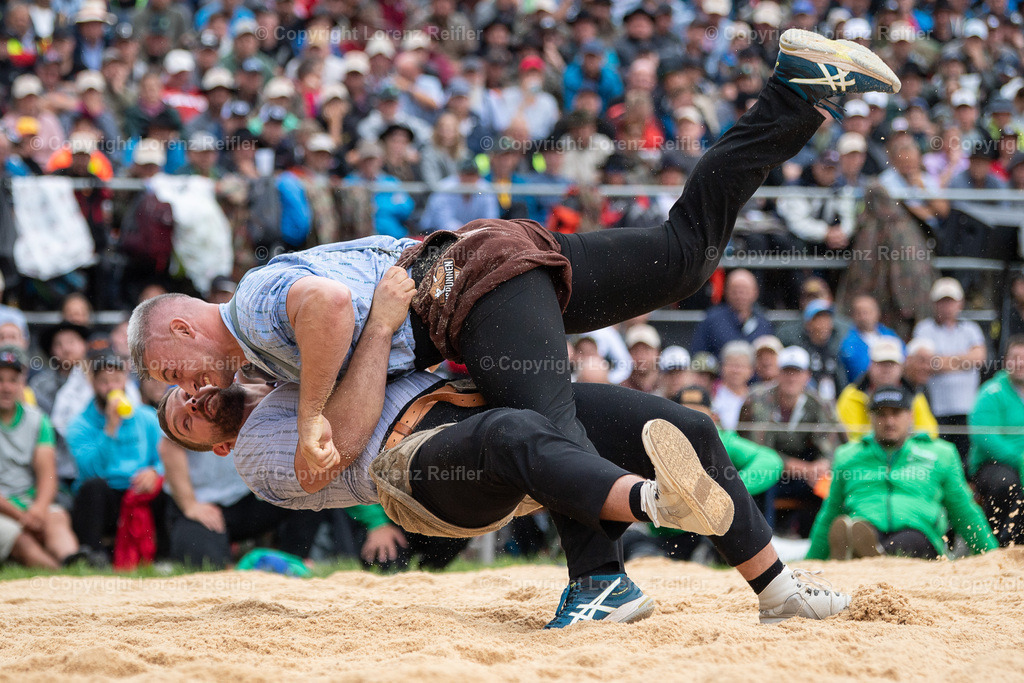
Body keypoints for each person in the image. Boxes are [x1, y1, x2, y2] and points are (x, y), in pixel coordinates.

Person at [132, 29, 899, 625]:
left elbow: (332, 309)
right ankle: (795, 94)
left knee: (547, 423)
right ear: (216, 444)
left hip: (463, 286)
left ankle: (599, 579)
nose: (188, 389)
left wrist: (310, 419)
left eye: (172, 375)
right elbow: (342, 379)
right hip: (494, 263)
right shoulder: (264, 378)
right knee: (683, 257)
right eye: (179, 404)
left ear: (176, 326)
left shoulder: (255, 305)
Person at [808, 385, 997, 560]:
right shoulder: (848, 456)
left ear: (910, 415)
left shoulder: (940, 454)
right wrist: (812, 561)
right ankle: (864, 551)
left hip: (918, 533)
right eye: (881, 415)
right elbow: (830, 513)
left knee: (909, 540)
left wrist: (991, 555)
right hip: (866, 525)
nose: (889, 421)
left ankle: (862, 556)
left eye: (896, 413)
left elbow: (963, 510)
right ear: (871, 418)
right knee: (857, 528)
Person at [640, 385, 784, 562]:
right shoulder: (655, 444)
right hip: (669, 533)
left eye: (698, 416)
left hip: (715, 531)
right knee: (637, 545)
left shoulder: (722, 440)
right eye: (683, 415)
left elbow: (770, 461)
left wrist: (726, 491)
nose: (690, 423)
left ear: (713, 418)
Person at [65, 348, 168, 564]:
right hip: (105, 497)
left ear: (125, 379)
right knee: (93, 488)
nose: (111, 387)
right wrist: (110, 428)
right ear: (92, 383)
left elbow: (166, 459)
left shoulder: (147, 417)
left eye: (117, 380)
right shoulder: (79, 425)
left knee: (165, 488)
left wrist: (154, 471)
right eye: (104, 381)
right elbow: (91, 470)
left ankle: (163, 555)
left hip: (138, 490)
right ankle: (93, 556)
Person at [160, 436, 320, 569]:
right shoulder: (186, 398)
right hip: (198, 505)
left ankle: (294, 561)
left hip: (245, 498)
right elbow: (168, 445)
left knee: (309, 491)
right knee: (210, 567)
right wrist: (190, 505)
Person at [739, 346, 844, 536]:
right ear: (778, 373)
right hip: (769, 473)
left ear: (807, 375)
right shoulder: (757, 400)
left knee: (830, 483)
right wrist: (802, 468)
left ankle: (820, 540)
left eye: (797, 372)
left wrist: (823, 463)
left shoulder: (820, 404)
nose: (791, 377)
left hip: (807, 475)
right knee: (762, 478)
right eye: (787, 371)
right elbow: (756, 452)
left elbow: (834, 446)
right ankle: (762, 541)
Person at [0, 347, 81, 568]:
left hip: (29, 502)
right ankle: (62, 576)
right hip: (6, 508)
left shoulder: (38, 419)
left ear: (21, 382)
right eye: (0, 380)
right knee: (22, 540)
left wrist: (37, 509)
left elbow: (48, 475)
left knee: (57, 519)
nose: (6, 387)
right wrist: (21, 516)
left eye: (12, 380)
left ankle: (73, 563)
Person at [913, 277, 986, 466]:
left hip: (966, 409)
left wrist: (942, 361)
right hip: (935, 409)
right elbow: (926, 363)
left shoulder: (971, 328)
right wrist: (963, 361)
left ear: (960, 303)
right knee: (938, 460)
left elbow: (979, 358)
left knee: (965, 462)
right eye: (942, 301)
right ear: (934, 304)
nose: (947, 306)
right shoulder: (924, 329)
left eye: (951, 301)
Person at [967, 335, 1024, 547]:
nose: (1020, 363)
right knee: (1007, 483)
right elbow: (984, 436)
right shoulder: (991, 392)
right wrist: (1018, 458)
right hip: (992, 464)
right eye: (1015, 357)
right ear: (1006, 361)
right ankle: (1000, 544)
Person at [836, 338, 938, 441]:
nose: (886, 369)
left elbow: (930, 434)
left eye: (891, 364)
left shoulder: (914, 396)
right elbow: (849, 438)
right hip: (866, 456)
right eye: (881, 363)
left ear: (901, 367)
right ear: (870, 365)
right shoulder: (852, 396)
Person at [690, 269, 774, 358]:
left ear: (755, 292)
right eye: (735, 290)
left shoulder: (764, 323)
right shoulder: (711, 320)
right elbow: (698, 356)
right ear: (725, 291)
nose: (740, 295)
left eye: (744, 290)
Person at [839, 294, 903, 384]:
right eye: (859, 313)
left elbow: (903, 359)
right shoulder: (847, 342)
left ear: (877, 313)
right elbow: (858, 370)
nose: (863, 317)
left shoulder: (890, 335)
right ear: (853, 315)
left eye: (867, 312)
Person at [712, 340, 754, 431]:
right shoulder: (712, 395)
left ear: (751, 370)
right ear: (722, 367)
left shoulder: (756, 397)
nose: (736, 371)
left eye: (741, 366)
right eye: (731, 365)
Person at [620, 324, 661, 394]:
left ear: (658, 352)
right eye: (635, 350)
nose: (641, 356)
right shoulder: (621, 389)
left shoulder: (668, 385)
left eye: (647, 349)